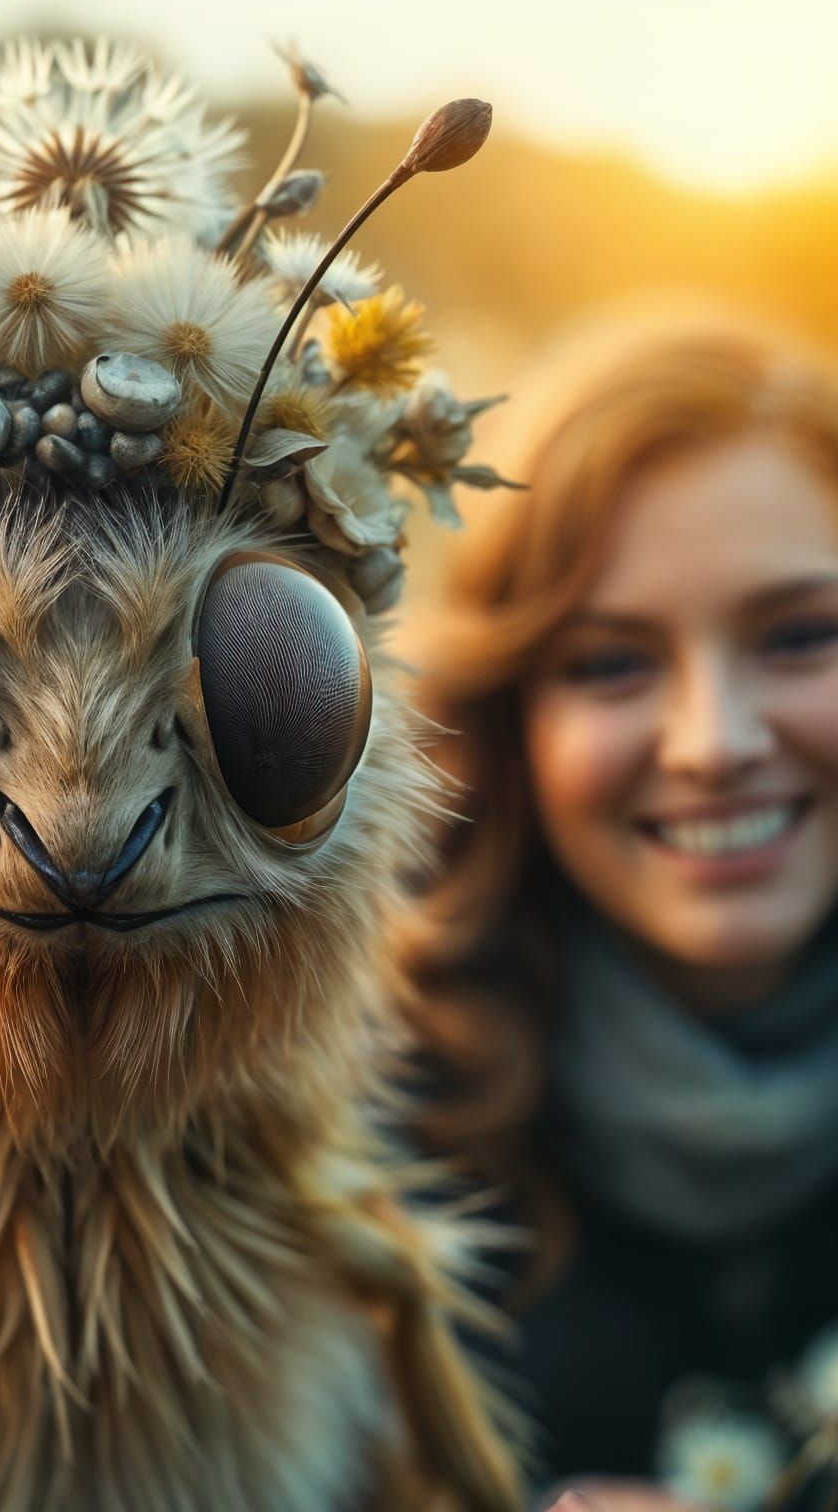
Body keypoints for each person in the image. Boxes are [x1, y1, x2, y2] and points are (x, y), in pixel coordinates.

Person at [399, 316, 838, 1512]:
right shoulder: (342, 1156)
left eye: (801, 637)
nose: (716, 745)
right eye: (610, 664)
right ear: (506, 718)